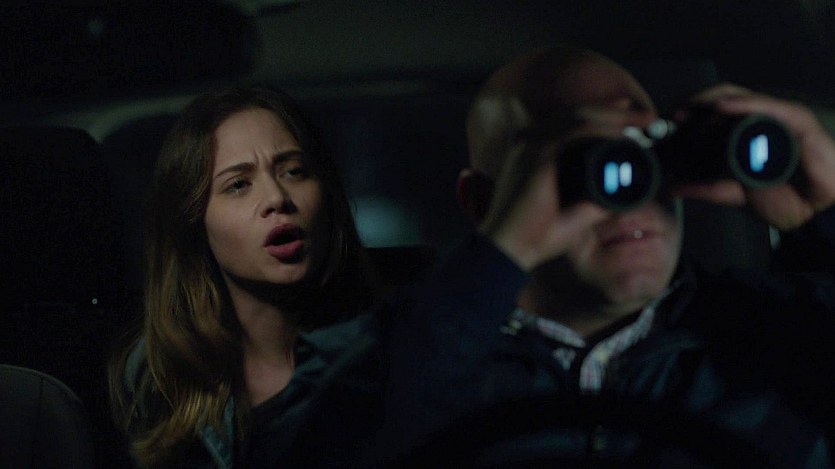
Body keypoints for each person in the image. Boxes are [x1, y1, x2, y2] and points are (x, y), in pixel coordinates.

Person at [283, 45, 835, 467]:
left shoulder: (780, 331)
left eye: (648, 149)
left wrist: (828, 217)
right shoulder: (362, 363)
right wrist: (494, 261)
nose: (630, 195)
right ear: (482, 202)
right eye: (583, 161)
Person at [108, 86, 378, 468]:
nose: (277, 198)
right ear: (195, 223)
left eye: (294, 171)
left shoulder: (395, 347)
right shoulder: (159, 378)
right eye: (238, 185)